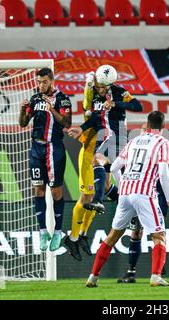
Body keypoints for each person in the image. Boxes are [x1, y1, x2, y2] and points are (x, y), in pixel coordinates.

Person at [85, 111, 169, 288]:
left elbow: (114, 167)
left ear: (148, 125)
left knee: (112, 236)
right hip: (144, 193)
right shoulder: (163, 142)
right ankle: (156, 276)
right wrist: (168, 200)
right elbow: (164, 172)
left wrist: (124, 185)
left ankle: (93, 277)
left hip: (126, 193)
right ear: (163, 126)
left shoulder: (134, 140)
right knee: (159, 235)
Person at [69, 65, 143, 216]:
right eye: (98, 85)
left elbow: (138, 106)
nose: (100, 89)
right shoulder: (96, 96)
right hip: (102, 138)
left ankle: (98, 200)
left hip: (115, 136)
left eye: (104, 86)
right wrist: (81, 129)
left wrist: (116, 104)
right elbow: (96, 118)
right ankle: (133, 215)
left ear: (109, 85)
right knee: (107, 184)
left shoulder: (119, 92)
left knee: (96, 160)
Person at [18, 67, 72, 252]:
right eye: (38, 82)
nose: (40, 85)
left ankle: (57, 231)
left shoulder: (62, 99)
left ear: (52, 81)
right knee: (38, 190)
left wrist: (52, 110)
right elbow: (23, 123)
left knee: (56, 192)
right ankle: (43, 232)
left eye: (44, 82)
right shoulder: (35, 98)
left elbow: (67, 123)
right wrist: (22, 110)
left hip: (53, 147)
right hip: (36, 148)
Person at [117, 124, 169, 284]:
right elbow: (125, 168)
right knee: (136, 231)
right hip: (139, 191)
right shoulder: (135, 145)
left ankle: (157, 268)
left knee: (156, 232)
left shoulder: (163, 145)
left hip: (155, 193)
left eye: (146, 129)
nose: (145, 132)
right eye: (142, 129)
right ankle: (131, 271)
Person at [63, 72, 99, 261]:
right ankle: (74, 238)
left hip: (102, 157)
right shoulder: (93, 110)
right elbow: (86, 103)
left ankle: (83, 234)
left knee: (95, 198)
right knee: (87, 196)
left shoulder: (110, 107)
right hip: (88, 156)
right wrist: (88, 84)